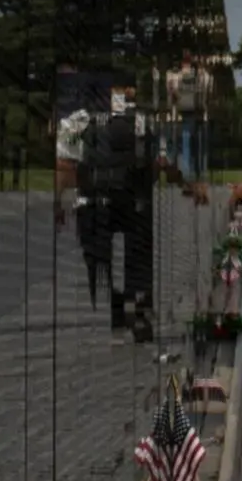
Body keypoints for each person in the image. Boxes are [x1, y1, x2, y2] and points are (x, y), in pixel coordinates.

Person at [69, 69, 156, 336]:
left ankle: (118, 300)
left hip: (95, 197)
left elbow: (68, 159)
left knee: (97, 255)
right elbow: (152, 160)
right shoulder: (141, 119)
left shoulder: (81, 120)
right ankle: (136, 302)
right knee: (138, 251)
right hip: (131, 196)